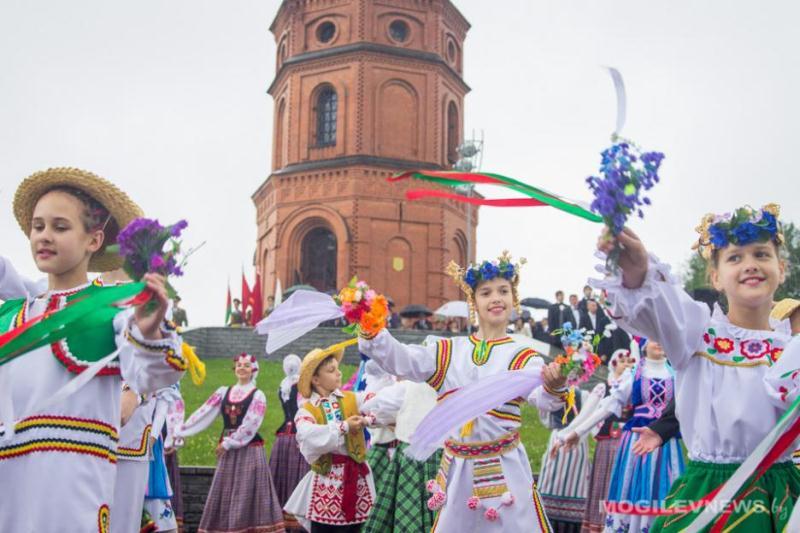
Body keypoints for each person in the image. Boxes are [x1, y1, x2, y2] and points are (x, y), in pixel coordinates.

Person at [593, 204, 800, 531]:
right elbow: (657, 304)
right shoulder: (696, 334)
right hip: (709, 496)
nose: (750, 265)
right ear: (716, 277)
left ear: (782, 268)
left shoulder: (793, 350)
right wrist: (637, 270)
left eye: (762, 254)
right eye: (735, 258)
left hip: (782, 497)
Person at [0, 168, 186, 532]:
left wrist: (149, 334)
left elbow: (153, 372)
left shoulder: (113, 310)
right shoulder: (12, 315)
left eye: (60, 226)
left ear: (94, 239)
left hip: (70, 488)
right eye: (38, 227)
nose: (45, 236)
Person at [358, 251, 569, 532]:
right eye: (486, 293)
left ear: (513, 299)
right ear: (474, 303)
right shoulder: (448, 351)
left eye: (503, 291)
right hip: (457, 472)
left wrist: (555, 386)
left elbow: (542, 399)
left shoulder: (524, 357)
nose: (496, 298)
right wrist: (373, 330)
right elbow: (403, 360)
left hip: (504, 470)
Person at [556, 341, 684, 532]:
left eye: (661, 336)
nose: (659, 341)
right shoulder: (634, 373)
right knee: (632, 492)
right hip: (637, 443)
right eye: (652, 337)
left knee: (667, 491)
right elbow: (610, 404)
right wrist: (578, 432)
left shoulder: (677, 373)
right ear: (644, 344)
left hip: (667, 444)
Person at [176, 353, 285, 533]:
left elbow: (251, 423)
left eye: (247, 366)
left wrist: (229, 443)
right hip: (227, 448)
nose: (242, 368)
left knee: (247, 492)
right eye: (239, 365)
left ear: (253, 371)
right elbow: (204, 412)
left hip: (248, 449)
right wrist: (182, 430)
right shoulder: (223, 392)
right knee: (225, 492)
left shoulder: (258, 395)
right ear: (234, 368)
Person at [284, 343, 378, 532]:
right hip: (327, 481)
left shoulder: (352, 398)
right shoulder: (307, 410)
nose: (339, 373)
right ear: (316, 379)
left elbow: (379, 402)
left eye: (338, 369)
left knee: (358, 528)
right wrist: (344, 426)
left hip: (357, 479)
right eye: (331, 370)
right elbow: (307, 435)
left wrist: (368, 420)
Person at [362, 380, 441, 532]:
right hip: (445, 455)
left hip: (414, 456)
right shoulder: (455, 378)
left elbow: (375, 406)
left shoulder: (410, 385)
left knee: (410, 513)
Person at [537, 382, 606, 532]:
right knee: (554, 475)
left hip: (573, 439)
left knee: (565, 476)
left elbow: (546, 419)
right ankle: (548, 517)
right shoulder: (581, 395)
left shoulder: (583, 395)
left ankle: (551, 520)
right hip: (570, 440)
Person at [269, 354, 310, 532]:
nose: (290, 366)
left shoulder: (295, 385)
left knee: (294, 475)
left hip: (292, 436)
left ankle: (295, 520)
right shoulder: (287, 384)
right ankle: (282, 519)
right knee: (285, 474)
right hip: (287, 437)